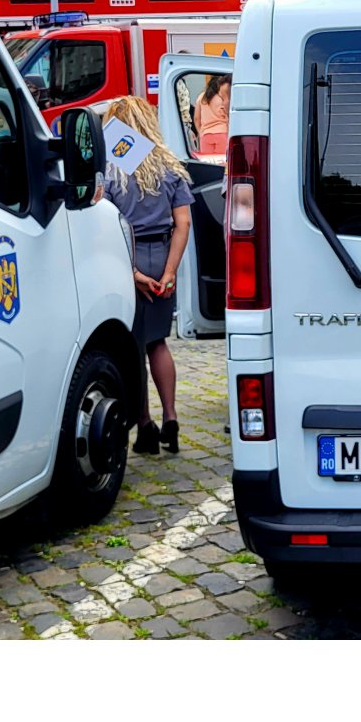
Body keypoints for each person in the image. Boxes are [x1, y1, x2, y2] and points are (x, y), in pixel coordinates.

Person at [103, 96, 194, 455]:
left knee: (132, 346)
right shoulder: (170, 167)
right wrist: (169, 270)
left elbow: (105, 226)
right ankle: (170, 417)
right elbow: (183, 223)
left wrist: (133, 272)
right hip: (162, 255)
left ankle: (144, 427)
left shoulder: (110, 169)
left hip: (126, 255)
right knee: (158, 341)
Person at [194, 74, 230, 155]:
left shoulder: (201, 97)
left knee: (207, 163)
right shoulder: (222, 98)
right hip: (222, 133)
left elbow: (197, 118)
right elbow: (227, 117)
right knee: (222, 163)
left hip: (206, 135)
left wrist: (201, 132)